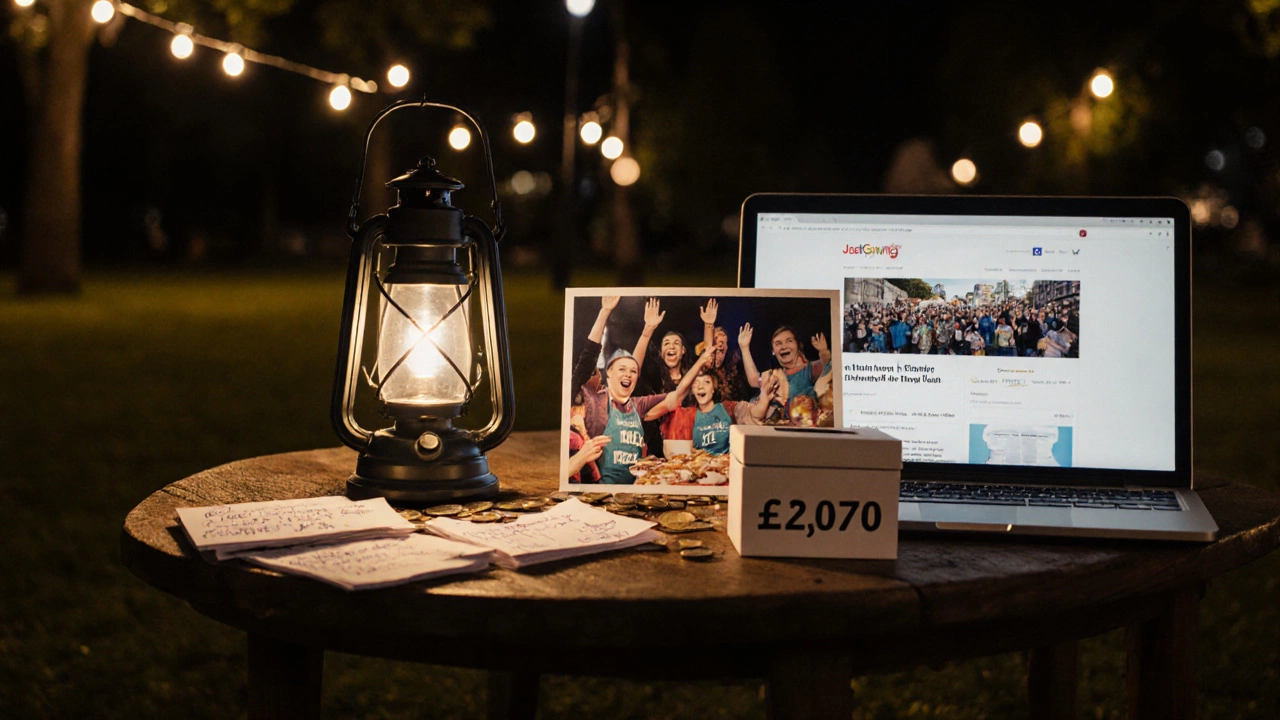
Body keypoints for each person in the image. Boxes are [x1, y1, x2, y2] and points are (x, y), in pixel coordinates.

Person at [569, 296, 707, 484]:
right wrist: (605, 312)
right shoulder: (595, 401)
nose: (628, 375)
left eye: (633, 372)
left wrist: (701, 361)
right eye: (622, 370)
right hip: (603, 490)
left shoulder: (638, 405)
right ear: (608, 375)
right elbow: (588, 358)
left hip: (637, 487)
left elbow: (676, 396)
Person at [664, 365, 775, 454]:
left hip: (727, 469)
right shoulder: (688, 415)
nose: (700, 387)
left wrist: (764, 396)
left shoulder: (728, 408)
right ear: (692, 390)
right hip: (700, 470)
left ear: (714, 388)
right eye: (696, 383)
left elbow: (757, 413)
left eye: (706, 382)